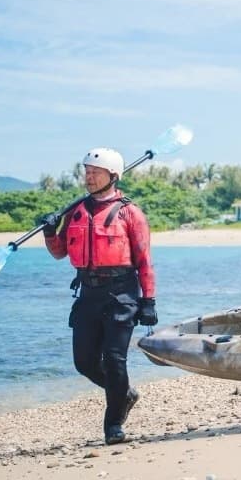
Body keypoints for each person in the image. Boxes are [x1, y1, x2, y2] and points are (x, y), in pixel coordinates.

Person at [40, 147, 158, 444]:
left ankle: (113, 426)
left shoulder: (131, 213)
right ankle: (124, 394)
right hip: (88, 294)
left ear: (113, 176)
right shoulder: (75, 212)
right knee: (85, 362)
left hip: (122, 294)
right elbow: (59, 253)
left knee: (115, 359)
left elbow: (144, 261)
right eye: (87, 173)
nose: (89, 178)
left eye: (95, 173)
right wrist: (50, 232)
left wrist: (149, 301)